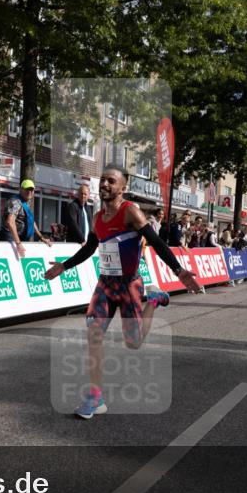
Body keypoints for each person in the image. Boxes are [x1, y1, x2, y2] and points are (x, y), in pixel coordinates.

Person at [44, 167, 202, 419]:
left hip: (130, 285)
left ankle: (154, 300)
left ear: (122, 187)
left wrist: (178, 270)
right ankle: (95, 397)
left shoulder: (131, 211)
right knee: (94, 333)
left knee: (134, 342)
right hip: (105, 285)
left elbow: (158, 242)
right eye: (103, 179)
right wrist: (64, 266)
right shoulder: (97, 218)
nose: (104, 184)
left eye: (111, 180)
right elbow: (89, 249)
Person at [0, 179, 52, 257]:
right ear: (20, 189)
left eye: (31, 190)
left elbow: (31, 221)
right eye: (27, 189)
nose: (29, 192)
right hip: (11, 237)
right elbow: (10, 221)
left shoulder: (26, 201)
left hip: (20, 237)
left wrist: (41, 237)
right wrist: (18, 243)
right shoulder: (15, 201)